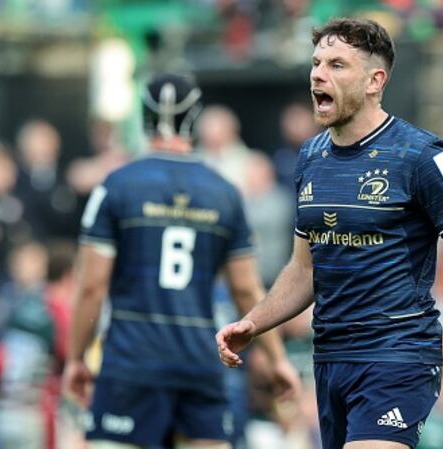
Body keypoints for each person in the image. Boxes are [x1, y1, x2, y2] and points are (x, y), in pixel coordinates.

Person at [216, 18, 443, 449]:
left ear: (374, 81)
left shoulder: (422, 156)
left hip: (397, 356)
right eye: (316, 62)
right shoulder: (310, 157)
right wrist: (255, 323)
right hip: (331, 359)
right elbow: (305, 269)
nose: (318, 74)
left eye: (337, 65)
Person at [63, 73, 302, 449]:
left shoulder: (116, 185)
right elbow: (246, 289)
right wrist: (277, 359)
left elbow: (91, 286)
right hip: (198, 361)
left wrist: (76, 357)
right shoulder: (224, 192)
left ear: (143, 117)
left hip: (131, 362)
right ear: (195, 118)